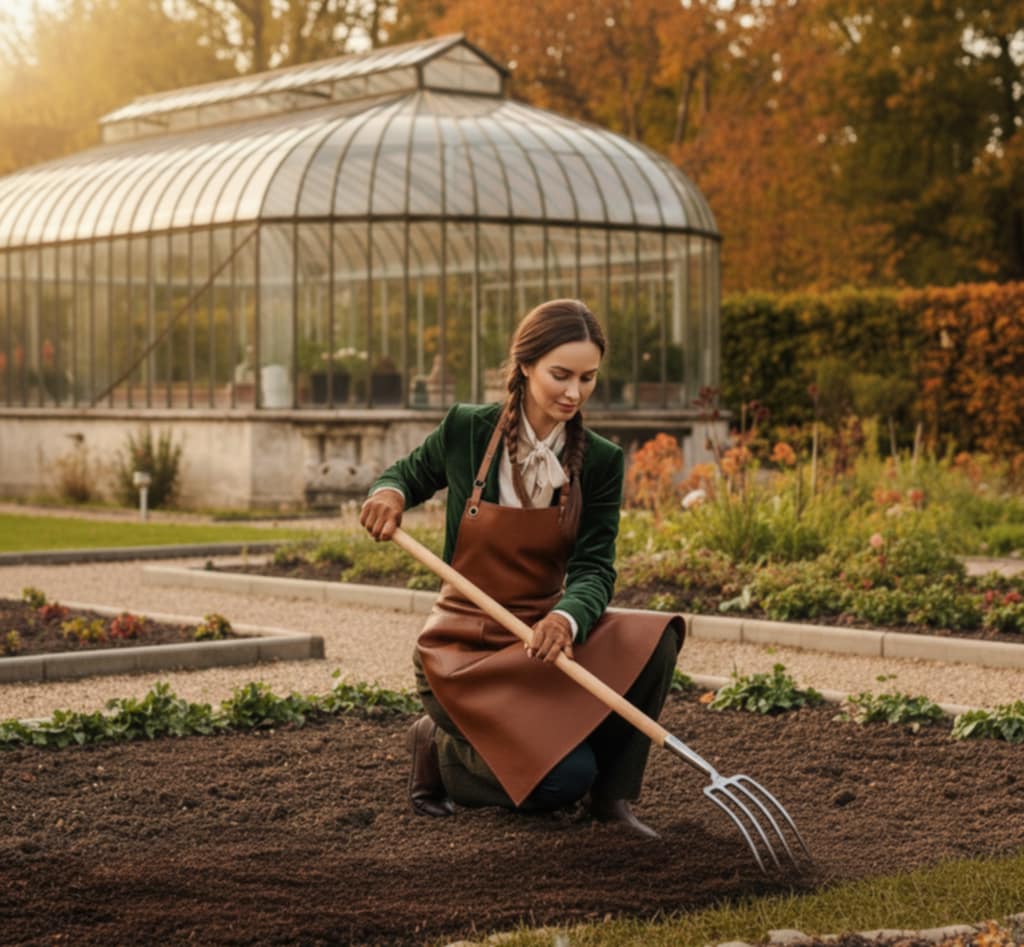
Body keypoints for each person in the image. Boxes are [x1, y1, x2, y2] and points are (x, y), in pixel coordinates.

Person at [360, 299, 685, 838]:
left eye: (588, 378)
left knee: (655, 638)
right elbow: (407, 474)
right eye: (561, 375)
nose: (574, 393)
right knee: (562, 784)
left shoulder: (600, 460)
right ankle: (437, 749)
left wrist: (566, 619)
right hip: (461, 652)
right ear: (526, 364)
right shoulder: (468, 429)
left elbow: (594, 569)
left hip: (540, 640)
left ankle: (613, 801)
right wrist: (388, 494)